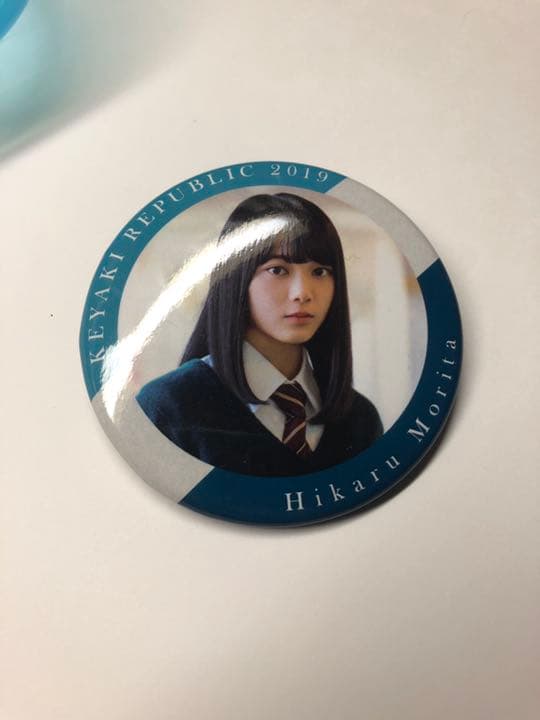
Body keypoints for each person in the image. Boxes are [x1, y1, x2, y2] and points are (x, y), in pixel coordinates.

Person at [136, 193, 382, 476]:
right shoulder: (168, 407)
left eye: (319, 271)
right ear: (236, 279)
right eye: (278, 270)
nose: (302, 293)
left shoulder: (360, 419)